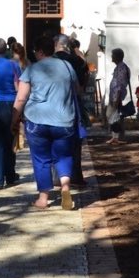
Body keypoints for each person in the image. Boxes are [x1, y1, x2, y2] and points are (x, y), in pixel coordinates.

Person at [12, 35, 78, 210]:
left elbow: (21, 98)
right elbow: (77, 89)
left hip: (36, 120)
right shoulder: (67, 66)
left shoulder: (32, 70)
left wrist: (13, 119)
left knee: (41, 159)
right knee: (63, 156)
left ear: (40, 51)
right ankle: (65, 187)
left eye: (35, 51)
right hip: (64, 120)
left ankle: (43, 198)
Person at [53, 34, 89, 182]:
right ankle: (76, 175)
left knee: (55, 140)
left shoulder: (51, 61)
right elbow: (84, 79)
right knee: (75, 141)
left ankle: (57, 177)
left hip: (54, 103)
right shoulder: (78, 60)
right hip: (74, 101)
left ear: (56, 44)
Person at [0, 38, 21, 189]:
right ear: (5, 49)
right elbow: (18, 87)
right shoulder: (13, 65)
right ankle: (11, 175)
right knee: (9, 140)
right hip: (10, 104)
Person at [106, 48, 130, 145]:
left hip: (117, 96)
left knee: (112, 115)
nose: (111, 57)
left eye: (113, 55)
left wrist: (117, 98)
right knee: (112, 115)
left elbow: (120, 85)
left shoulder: (121, 68)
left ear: (117, 56)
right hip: (114, 96)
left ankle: (117, 136)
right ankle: (115, 137)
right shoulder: (119, 67)